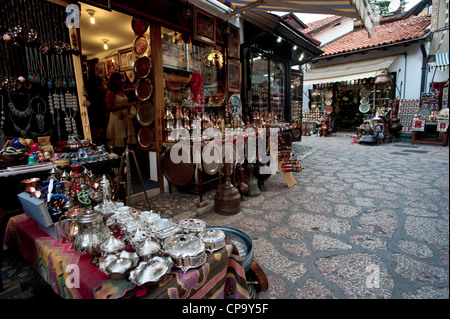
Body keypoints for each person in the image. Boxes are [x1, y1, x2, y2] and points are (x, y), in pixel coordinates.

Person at [105, 72, 136, 153]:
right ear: (114, 81)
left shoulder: (121, 91)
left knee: (127, 144)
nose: (121, 81)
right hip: (116, 120)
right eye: (119, 79)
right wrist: (123, 106)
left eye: (121, 79)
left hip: (125, 118)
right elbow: (109, 107)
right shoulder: (111, 92)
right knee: (117, 143)